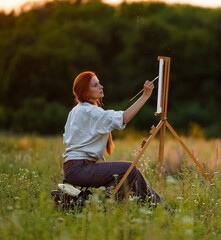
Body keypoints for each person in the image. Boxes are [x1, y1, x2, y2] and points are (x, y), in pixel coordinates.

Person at [62, 71, 163, 204]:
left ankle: (157, 205)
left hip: (72, 168)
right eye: (95, 85)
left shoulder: (76, 110)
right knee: (128, 169)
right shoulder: (90, 111)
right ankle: (106, 204)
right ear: (86, 92)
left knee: (133, 173)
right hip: (80, 169)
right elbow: (124, 118)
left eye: (99, 83)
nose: (101, 87)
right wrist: (145, 95)